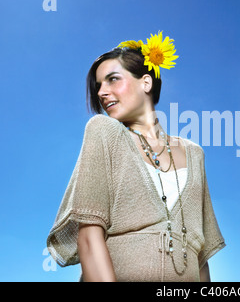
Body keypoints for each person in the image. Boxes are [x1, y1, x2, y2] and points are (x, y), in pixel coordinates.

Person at [46, 31, 225, 282]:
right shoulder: (104, 132)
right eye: (99, 86)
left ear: (146, 82)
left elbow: (200, 257)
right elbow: (89, 237)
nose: (101, 92)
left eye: (112, 80)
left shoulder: (195, 154)